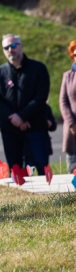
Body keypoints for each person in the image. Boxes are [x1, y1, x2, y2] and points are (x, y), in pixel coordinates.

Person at [0, 34, 51, 174]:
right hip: (10, 130)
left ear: (21, 46)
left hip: (35, 127)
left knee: (42, 168)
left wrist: (22, 116)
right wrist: (14, 117)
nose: (10, 50)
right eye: (6, 47)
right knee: (16, 172)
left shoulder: (38, 69)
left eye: (13, 46)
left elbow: (41, 97)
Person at [60, 39, 76, 173]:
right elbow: (63, 102)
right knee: (73, 167)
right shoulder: (67, 76)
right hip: (73, 130)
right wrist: (71, 123)